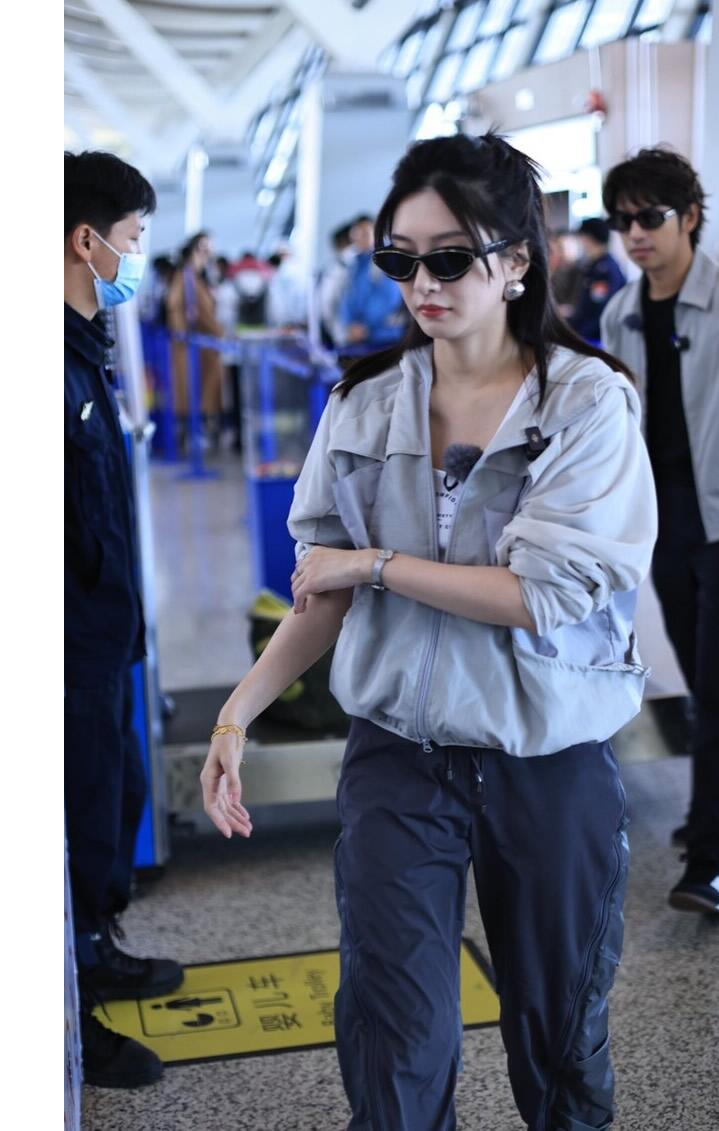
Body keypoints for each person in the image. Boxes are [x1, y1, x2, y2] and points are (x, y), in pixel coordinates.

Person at [199, 131, 657, 1130]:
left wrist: (376, 565)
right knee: (392, 1029)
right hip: (399, 756)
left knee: (558, 1028)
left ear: (517, 261)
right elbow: (321, 590)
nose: (422, 285)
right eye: (398, 261)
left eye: (449, 259)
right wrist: (237, 714)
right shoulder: (363, 403)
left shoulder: (586, 405)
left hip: (546, 754)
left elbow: (541, 593)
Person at [600, 147, 719, 917]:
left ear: (691, 217)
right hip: (665, 530)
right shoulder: (619, 315)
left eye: (651, 216)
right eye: (623, 221)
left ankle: (710, 862)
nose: (636, 233)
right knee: (705, 678)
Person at [65, 150, 184, 1088]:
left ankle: (95, 949)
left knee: (113, 797)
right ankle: (70, 1012)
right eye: (133, 238)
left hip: (104, 634)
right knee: (77, 812)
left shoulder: (83, 345)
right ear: (87, 241)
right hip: (69, 643)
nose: (137, 257)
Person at [165, 230, 225, 447]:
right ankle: (189, 435)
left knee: (205, 392)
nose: (209, 252)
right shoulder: (186, 276)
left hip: (205, 345)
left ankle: (201, 431)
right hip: (190, 345)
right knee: (189, 391)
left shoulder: (201, 277)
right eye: (204, 247)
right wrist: (182, 334)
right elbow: (175, 306)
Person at [337, 213, 407, 348]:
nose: (360, 239)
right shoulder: (355, 265)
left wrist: (366, 328)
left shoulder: (385, 262)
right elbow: (347, 297)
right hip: (358, 338)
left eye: (365, 234)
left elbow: (388, 298)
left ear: (376, 234)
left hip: (383, 337)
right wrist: (348, 324)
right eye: (356, 235)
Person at [569, 218, 626, 344]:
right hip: (588, 333)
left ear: (590, 238)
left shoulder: (604, 270)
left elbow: (600, 310)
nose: (581, 242)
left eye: (582, 237)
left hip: (596, 337)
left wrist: (577, 334)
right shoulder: (594, 266)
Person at [319, 221, 358, 347]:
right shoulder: (339, 268)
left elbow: (327, 307)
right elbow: (328, 305)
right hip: (347, 338)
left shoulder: (338, 268)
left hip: (348, 336)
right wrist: (341, 334)